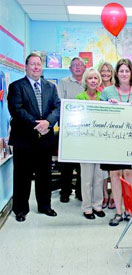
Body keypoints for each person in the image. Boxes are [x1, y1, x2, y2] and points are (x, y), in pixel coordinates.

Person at [7, 53, 60, 222]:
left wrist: (48, 123)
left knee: (45, 174)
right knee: (22, 175)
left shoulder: (50, 87)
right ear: (26, 66)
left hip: (45, 140)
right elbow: (16, 109)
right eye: (32, 64)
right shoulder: (16, 86)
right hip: (24, 139)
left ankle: (45, 206)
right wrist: (38, 124)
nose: (36, 67)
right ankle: (21, 209)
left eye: (39, 64)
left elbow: (57, 108)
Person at [100, 58, 132, 226]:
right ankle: (118, 212)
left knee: (129, 174)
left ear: (131, 73)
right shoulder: (107, 92)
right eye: (121, 71)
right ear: (116, 73)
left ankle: (129, 211)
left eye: (127, 71)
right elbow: (99, 115)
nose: (124, 74)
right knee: (114, 174)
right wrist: (107, 106)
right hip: (112, 141)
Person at [75, 68, 105, 219]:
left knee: (99, 178)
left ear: (99, 81)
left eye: (95, 78)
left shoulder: (103, 97)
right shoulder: (79, 98)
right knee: (86, 179)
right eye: (90, 78)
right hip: (85, 144)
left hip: (100, 143)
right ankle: (87, 208)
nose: (93, 81)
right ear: (85, 81)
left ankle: (97, 206)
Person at [57, 57, 86, 202]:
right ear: (70, 68)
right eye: (75, 65)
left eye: (81, 65)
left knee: (83, 164)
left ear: (85, 68)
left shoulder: (89, 82)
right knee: (66, 164)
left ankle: (81, 192)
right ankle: (65, 191)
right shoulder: (63, 82)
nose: (78, 67)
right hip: (68, 129)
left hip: (85, 131)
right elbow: (59, 103)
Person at [97, 61, 115, 208]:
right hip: (101, 133)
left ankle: (113, 196)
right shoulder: (96, 88)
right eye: (103, 71)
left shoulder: (117, 88)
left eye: (108, 71)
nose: (105, 74)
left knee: (113, 170)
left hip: (115, 132)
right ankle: (104, 196)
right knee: (103, 170)